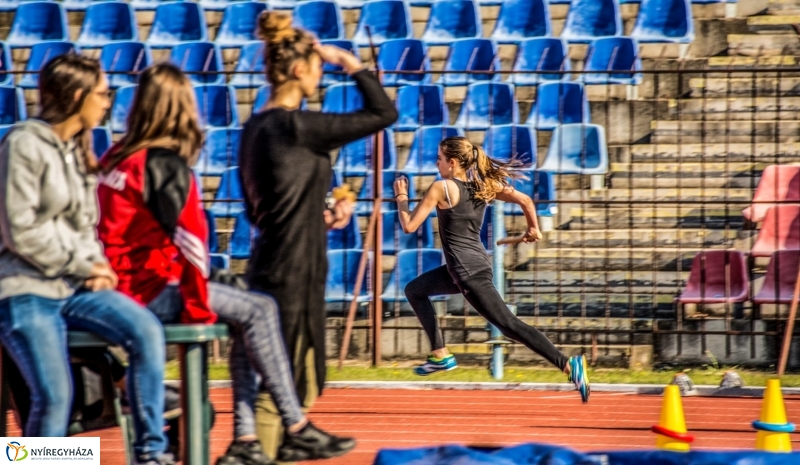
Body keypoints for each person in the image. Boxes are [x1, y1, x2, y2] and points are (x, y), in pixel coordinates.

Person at [96, 63, 356, 465]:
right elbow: (191, 244)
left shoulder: (118, 154)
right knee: (259, 308)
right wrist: (198, 309)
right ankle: (295, 426)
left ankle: (248, 439)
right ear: (181, 109)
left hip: (123, 285)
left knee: (244, 305)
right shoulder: (164, 164)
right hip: (141, 292)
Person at [238, 10, 398, 459]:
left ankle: (279, 450)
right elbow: (383, 113)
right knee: (281, 385)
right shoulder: (295, 126)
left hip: (279, 259)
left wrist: (321, 214)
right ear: (297, 69)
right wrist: (351, 63)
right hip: (290, 270)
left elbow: (262, 208)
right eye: (318, 66)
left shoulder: (255, 128)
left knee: (302, 378)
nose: (322, 73)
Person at [0, 54, 174, 464]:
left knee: (147, 331)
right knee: (56, 394)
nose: (108, 101)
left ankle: (152, 452)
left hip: (72, 287)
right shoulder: (23, 144)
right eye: (102, 93)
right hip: (25, 289)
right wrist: (83, 264)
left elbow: (85, 228)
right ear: (78, 96)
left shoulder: (75, 150)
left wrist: (99, 268)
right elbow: (19, 229)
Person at [393, 136, 591, 403]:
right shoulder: (482, 186)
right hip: (469, 267)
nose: (435, 162)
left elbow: (408, 226)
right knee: (415, 290)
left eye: (439, 159)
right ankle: (440, 354)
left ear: (451, 163)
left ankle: (568, 364)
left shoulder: (442, 188)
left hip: (467, 273)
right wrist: (534, 228)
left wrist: (401, 197)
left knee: (509, 325)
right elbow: (526, 201)